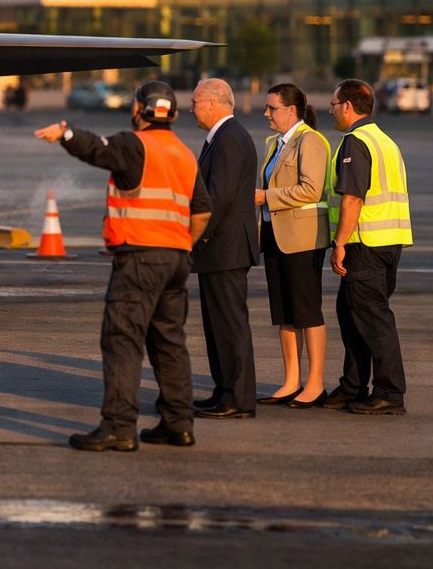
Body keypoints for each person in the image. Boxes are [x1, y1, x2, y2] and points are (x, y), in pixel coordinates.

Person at [35, 80, 211, 452]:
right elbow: (203, 211)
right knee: (169, 342)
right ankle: (178, 424)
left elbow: (97, 150)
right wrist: (182, 245)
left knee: (122, 340)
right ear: (174, 115)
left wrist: (65, 133)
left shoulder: (135, 146)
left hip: (139, 260)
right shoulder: (183, 153)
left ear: (137, 110)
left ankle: (118, 426)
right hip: (176, 259)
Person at [323, 79, 412, 415]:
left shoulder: (355, 142)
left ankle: (389, 392)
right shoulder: (384, 141)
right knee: (351, 314)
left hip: (365, 243)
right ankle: (352, 386)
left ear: (347, 106)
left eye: (333, 103)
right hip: (390, 240)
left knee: (374, 319)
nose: (330, 109)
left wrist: (340, 243)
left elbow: (353, 198)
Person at [253, 82, 332, 408]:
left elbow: (310, 191)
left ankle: (314, 384)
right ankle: (290, 381)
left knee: (307, 311)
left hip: (302, 239)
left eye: (272, 108)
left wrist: (266, 197)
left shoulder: (310, 141)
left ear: (291, 110)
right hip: (275, 235)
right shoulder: (277, 142)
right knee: (284, 312)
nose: (266, 113)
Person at [189, 78, 259, 419]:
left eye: (195, 102)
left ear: (214, 103)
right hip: (220, 248)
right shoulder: (222, 137)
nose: (192, 109)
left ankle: (238, 398)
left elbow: (218, 198)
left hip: (224, 247)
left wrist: (195, 235)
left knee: (230, 325)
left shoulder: (229, 139)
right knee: (218, 325)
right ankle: (225, 390)